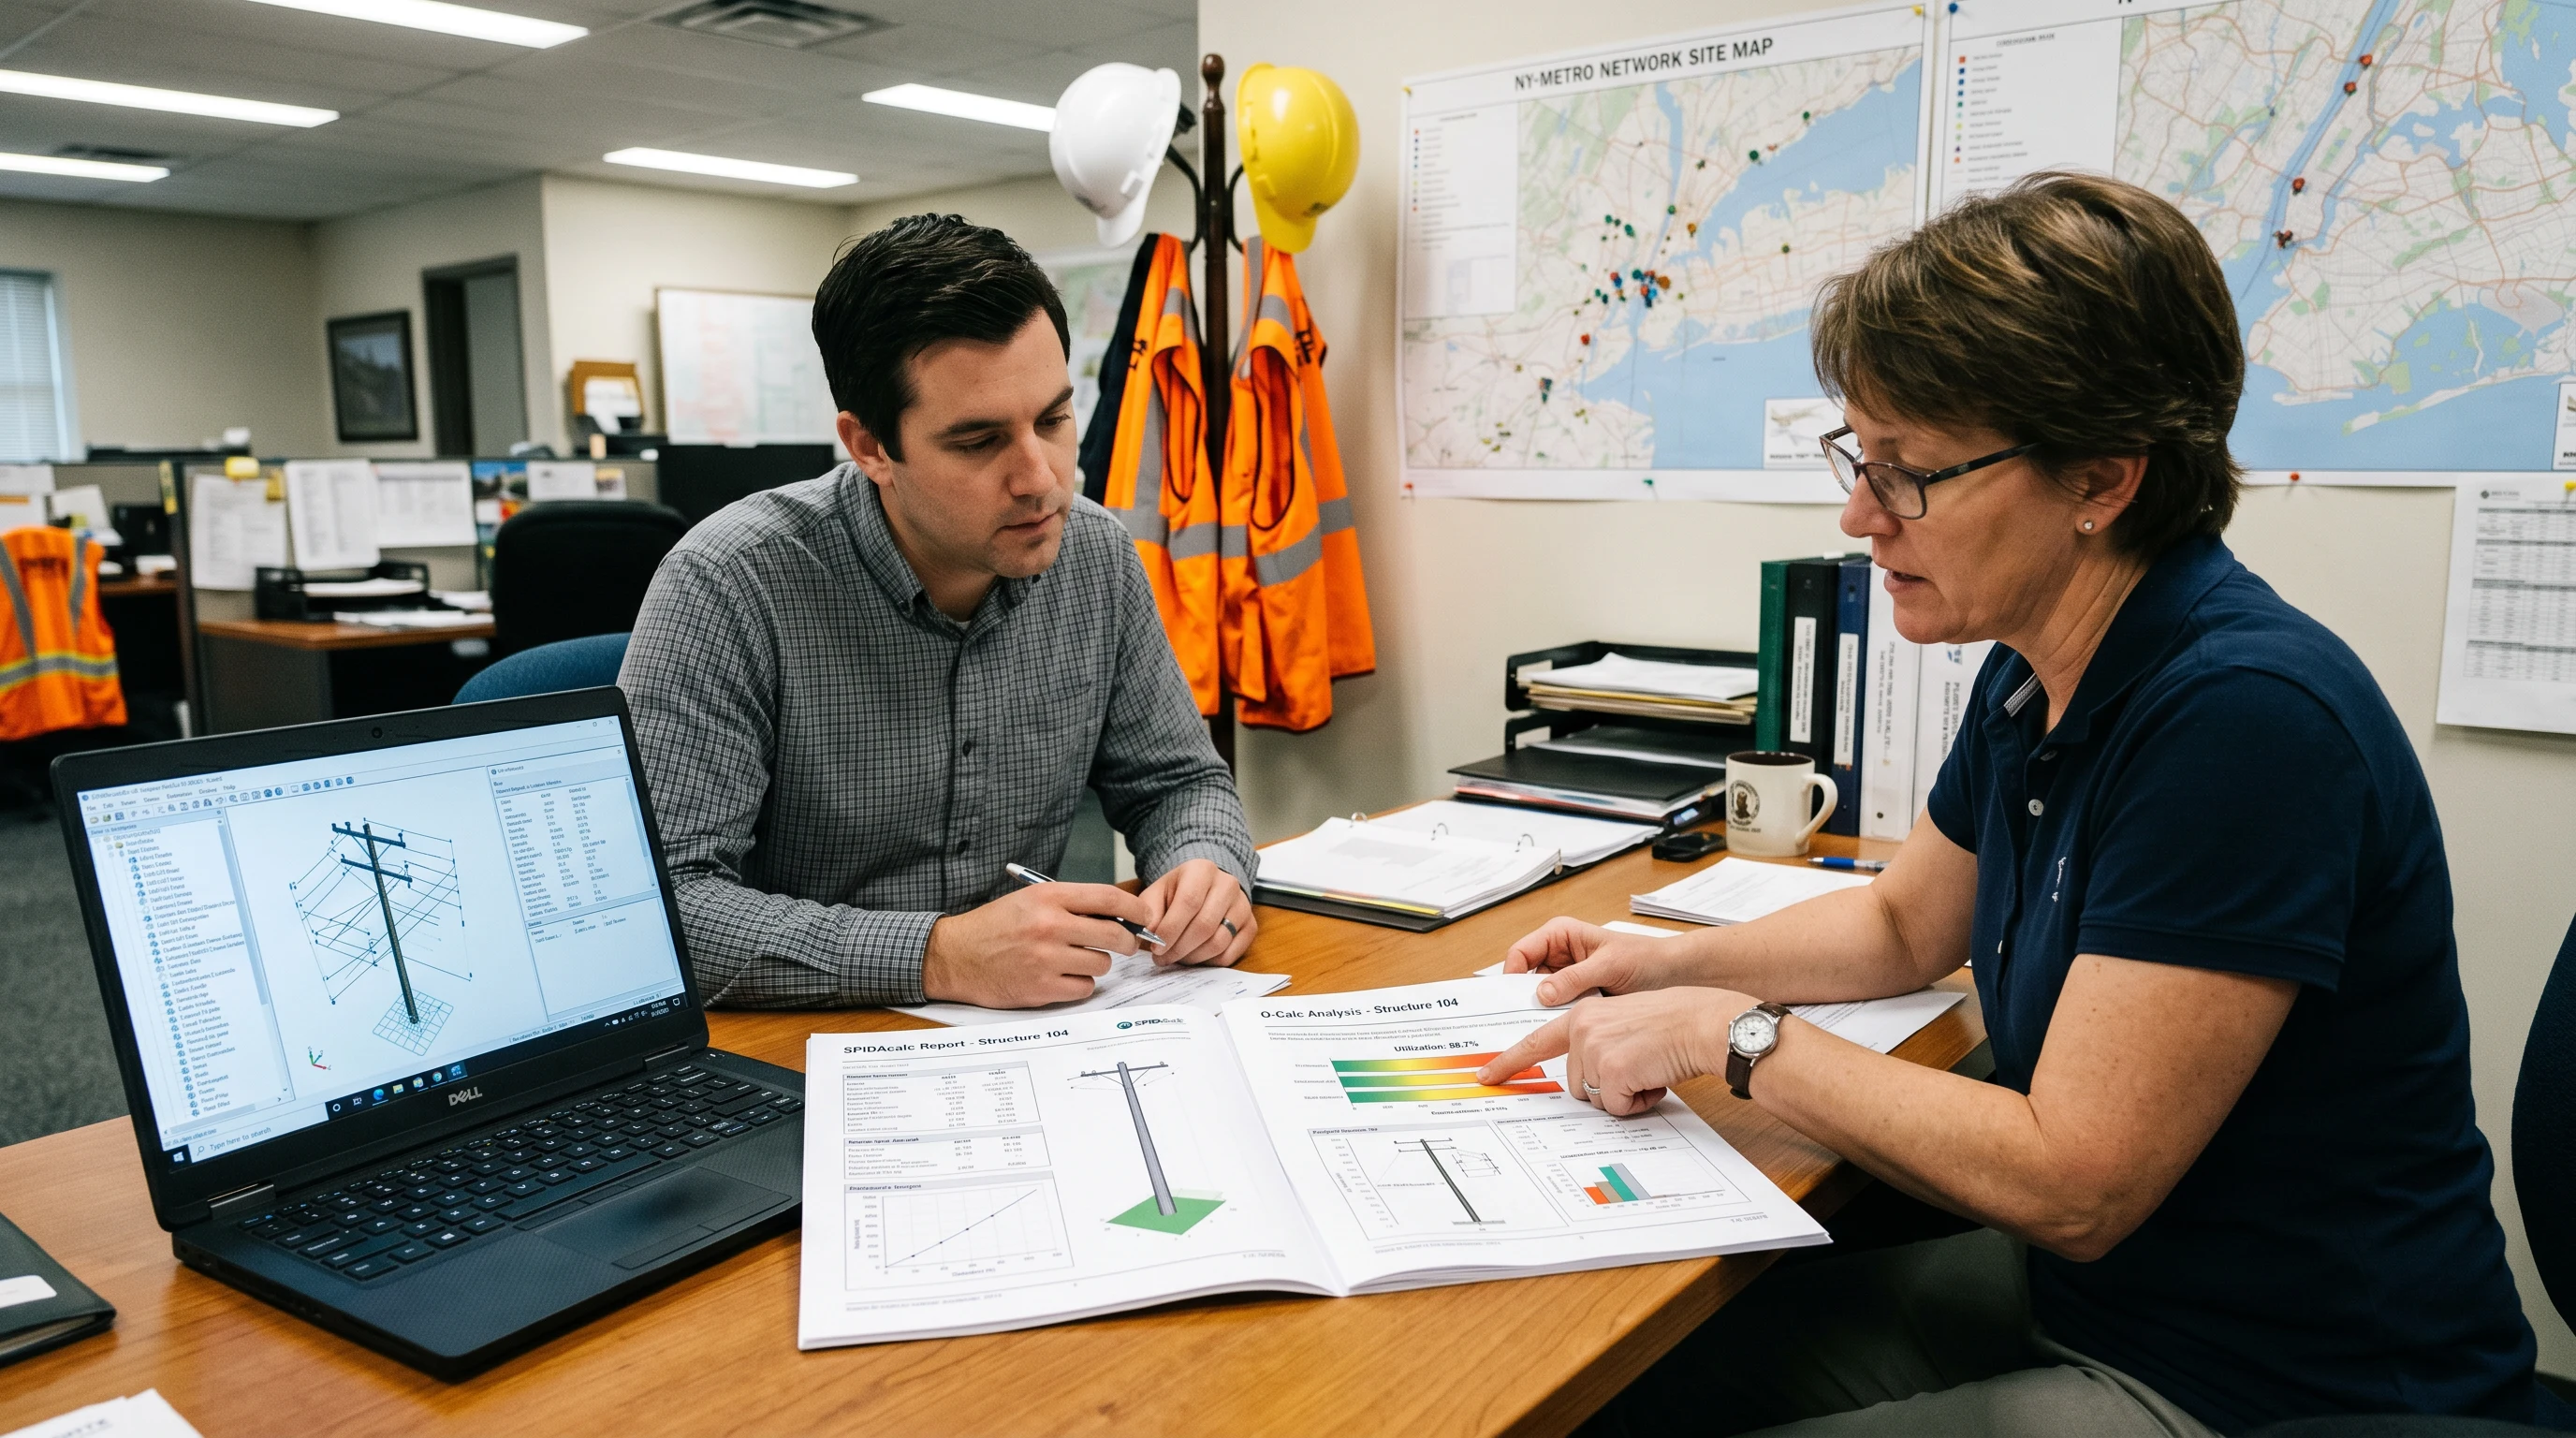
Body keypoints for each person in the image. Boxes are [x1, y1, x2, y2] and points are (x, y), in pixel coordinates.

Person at [1483, 173, 2554, 1435]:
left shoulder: (2244, 719)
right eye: (1860, 457)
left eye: (1909, 472)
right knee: (1625, 1391)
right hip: (2101, 1302)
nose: (1859, 514)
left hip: (2269, 1385)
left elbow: (2074, 1180)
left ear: (2101, 481)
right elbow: (1901, 930)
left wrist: (1735, 1036)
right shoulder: (2036, 666)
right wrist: (1663, 967)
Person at [620, 213, 1257, 1010]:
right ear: (870, 446)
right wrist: (940, 957)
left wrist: (1208, 870)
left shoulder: (1094, 556)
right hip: (803, 1049)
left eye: (1054, 419)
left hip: (1044, 1030)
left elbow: (1178, 783)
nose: (1042, 479)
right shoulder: (730, 584)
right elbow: (662, 908)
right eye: (979, 441)